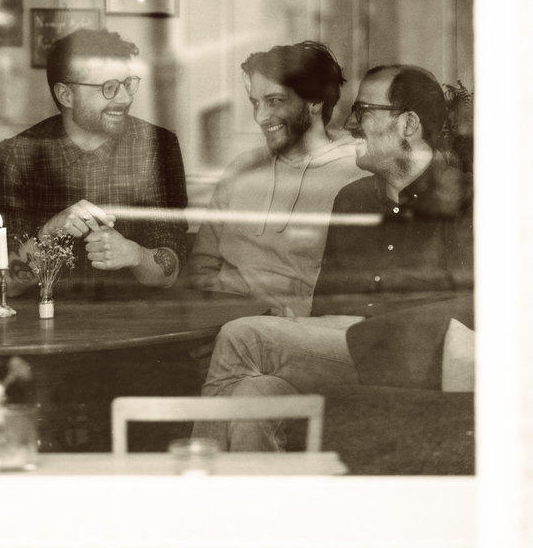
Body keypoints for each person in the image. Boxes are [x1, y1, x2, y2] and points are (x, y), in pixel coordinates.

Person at [195, 64, 472, 450]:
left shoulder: (467, 200)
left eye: (363, 111)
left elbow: (473, 312)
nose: (349, 123)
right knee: (251, 393)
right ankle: (252, 488)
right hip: (348, 358)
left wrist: (372, 327)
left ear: (408, 125)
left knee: (241, 336)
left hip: (419, 365)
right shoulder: (352, 199)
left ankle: (200, 474)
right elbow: (327, 309)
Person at [0, 28, 188, 293]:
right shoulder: (16, 155)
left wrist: (134, 255)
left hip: (135, 314)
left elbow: (170, 273)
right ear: (66, 95)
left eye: (127, 84)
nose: (125, 98)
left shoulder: (158, 146)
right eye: (109, 88)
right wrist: (51, 232)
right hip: (43, 315)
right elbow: (8, 284)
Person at [187, 41, 368, 315]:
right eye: (255, 103)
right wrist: (213, 319)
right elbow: (203, 264)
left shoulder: (356, 175)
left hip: (294, 329)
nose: (260, 116)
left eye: (274, 101)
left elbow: (349, 291)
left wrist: (286, 326)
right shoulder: (242, 168)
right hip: (220, 322)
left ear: (315, 101)